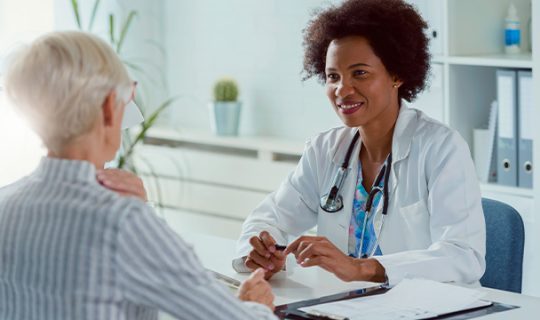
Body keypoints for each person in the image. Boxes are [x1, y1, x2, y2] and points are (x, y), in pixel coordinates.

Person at [0, 31, 277, 320]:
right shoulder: (121, 222)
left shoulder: (4, 204)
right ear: (109, 107)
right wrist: (252, 306)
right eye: (127, 96)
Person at [235, 0, 485, 286]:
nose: (342, 89)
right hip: (348, 306)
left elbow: (464, 256)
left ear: (397, 74)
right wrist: (264, 251)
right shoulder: (326, 150)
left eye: (360, 73)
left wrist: (362, 268)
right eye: (333, 77)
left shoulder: (441, 148)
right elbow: (269, 218)